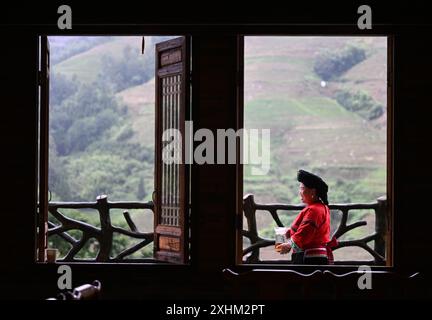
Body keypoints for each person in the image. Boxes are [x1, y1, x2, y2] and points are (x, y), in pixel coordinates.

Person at [275, 169, 337, 265]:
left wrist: (289, 244)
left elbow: (306, 231)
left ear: (313, 191)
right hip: (317, 257)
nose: (300, 192)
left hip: (310, 259)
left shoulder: (314, 210)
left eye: (302, 188)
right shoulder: (321, 207)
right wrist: (287, 232)